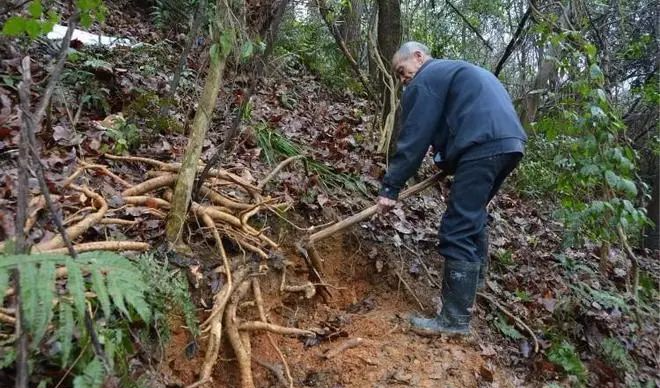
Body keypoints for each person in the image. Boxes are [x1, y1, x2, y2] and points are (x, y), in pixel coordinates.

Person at [376, 42, 527, 335]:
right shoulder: (455, 71)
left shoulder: (426, 78)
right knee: (472, 214)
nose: (402, 79)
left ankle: (454, 319)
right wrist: (448, 160)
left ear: (418, 57)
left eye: (402, 71)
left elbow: (415, 136)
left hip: (482, 146)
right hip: (509, 145)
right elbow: (459, 120)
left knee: (457, 226)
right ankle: (475, 283)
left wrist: (390, 187)